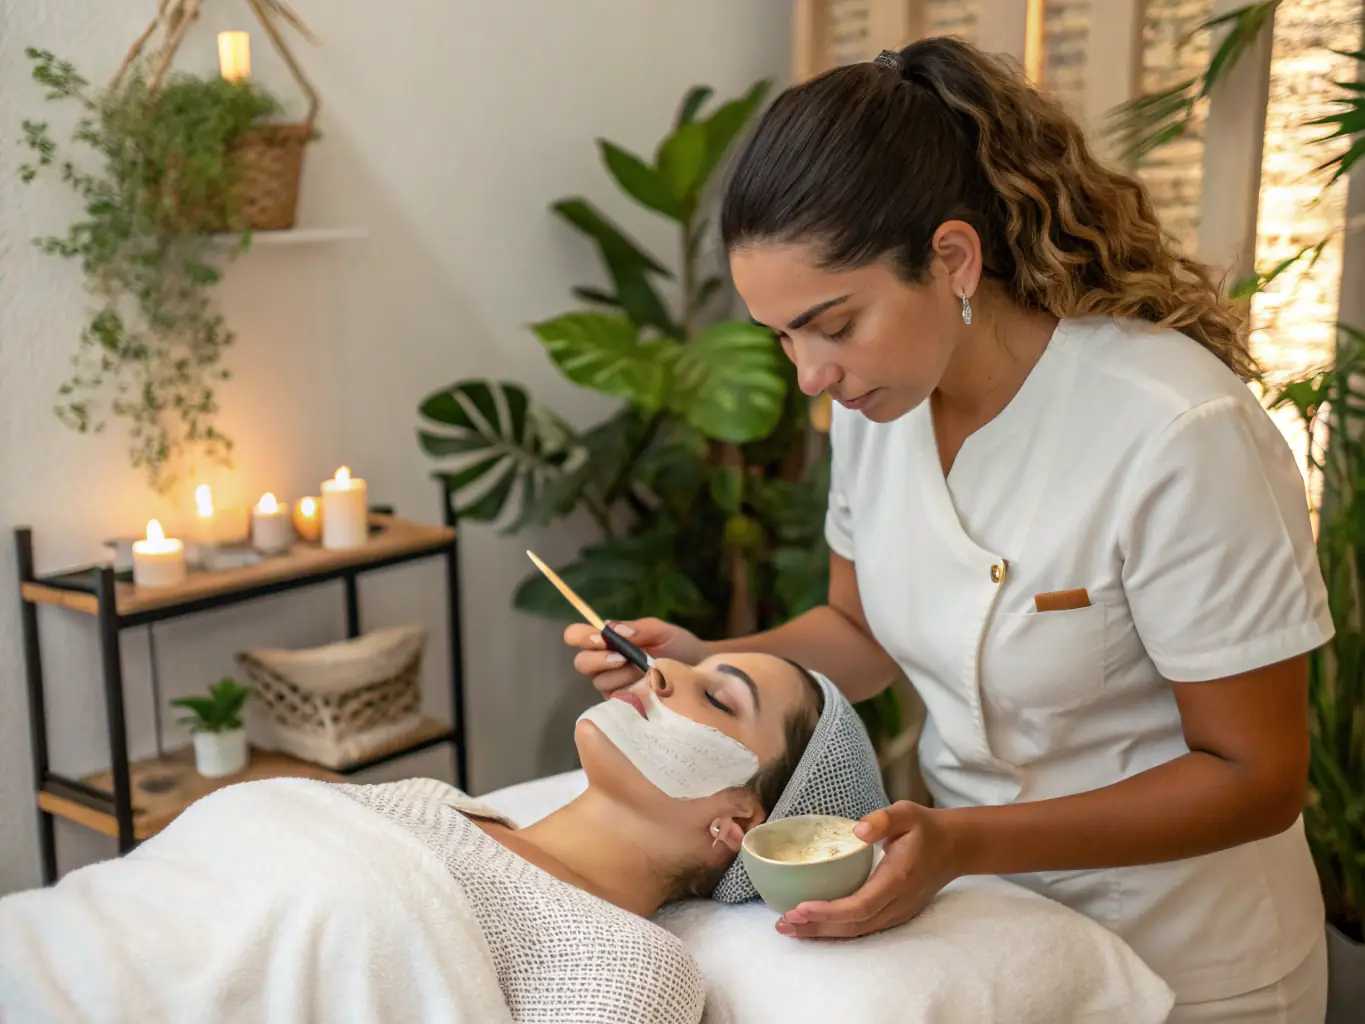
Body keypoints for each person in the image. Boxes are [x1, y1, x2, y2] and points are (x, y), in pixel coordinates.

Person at [566, 36, 1333, 1024]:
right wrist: (710, 657)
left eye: (833, 323)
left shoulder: (1177, 432)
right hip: (994, 942)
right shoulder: (877, 407)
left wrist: (971, 841)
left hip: (1194, 956)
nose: (808, 374)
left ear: (953, 257)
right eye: (783, 335)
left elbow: (1257, 777)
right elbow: (861, 634)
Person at [0, 653, 884, 1024]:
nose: (660, 670)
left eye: (716, 697)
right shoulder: (439, 802)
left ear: (736, 825)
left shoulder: (629, 969)